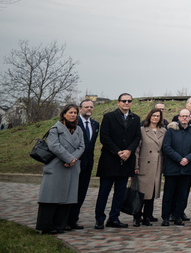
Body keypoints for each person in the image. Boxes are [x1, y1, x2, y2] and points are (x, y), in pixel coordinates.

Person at [36, 104, 85, 234]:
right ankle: (46, 226)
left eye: (75, 113)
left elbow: (82, 146)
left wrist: (72, 159)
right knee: (51, 197)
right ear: (64, 114)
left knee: (66, 197)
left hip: (72, 167)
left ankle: (60, 225)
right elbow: (54, 146)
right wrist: (68, 158)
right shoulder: (56, 128)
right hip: (57, 166)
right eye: (70, 112)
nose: (73, 115)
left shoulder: (79, 129)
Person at [95, 92, 141, 229]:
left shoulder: (135, 118)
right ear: (118, 102)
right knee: (104, 192)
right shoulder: (109, 117)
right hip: (110, 160)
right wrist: (117, 151)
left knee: (120, 193)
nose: (126, 103)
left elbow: (137, 137)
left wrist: (129, 151)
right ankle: (99, 219)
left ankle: (114, 218)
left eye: (129, 101)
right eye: (124, 101)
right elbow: (104, 137)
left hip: (126, 161)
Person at [160, 108, 191, 226]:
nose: (184, 118)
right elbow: (166, 147)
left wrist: (187, 159)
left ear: (189, 118)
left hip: (187, 168)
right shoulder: (171, 131)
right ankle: (166, 217)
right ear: (178, 117)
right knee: (169, 194)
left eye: (186, 116)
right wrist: (179, 159)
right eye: (182, 116)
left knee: (182, 195)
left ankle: (178, 216)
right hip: (172, 168)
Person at [68, 99, 99, 230]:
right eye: (86, 107)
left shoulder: (95, 124)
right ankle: (65, 219)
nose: (89, 109)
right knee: (71, 192)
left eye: (91, 107)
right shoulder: (73, 123)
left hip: (88, 163)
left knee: (81, 192)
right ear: (80, 109)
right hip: (75, 162)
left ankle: (73, 219)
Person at [135, 108, 166, 226]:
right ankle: (137, 216)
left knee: (151, 194)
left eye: (158, 116)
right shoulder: (142, 130)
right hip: (144, 165)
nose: (155, 118)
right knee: (141, 193)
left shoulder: (163, 131)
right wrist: (136, 165)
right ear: (149, 116)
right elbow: (137, 149)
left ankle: (147, 216)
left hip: (156, 165)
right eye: (153, 115)